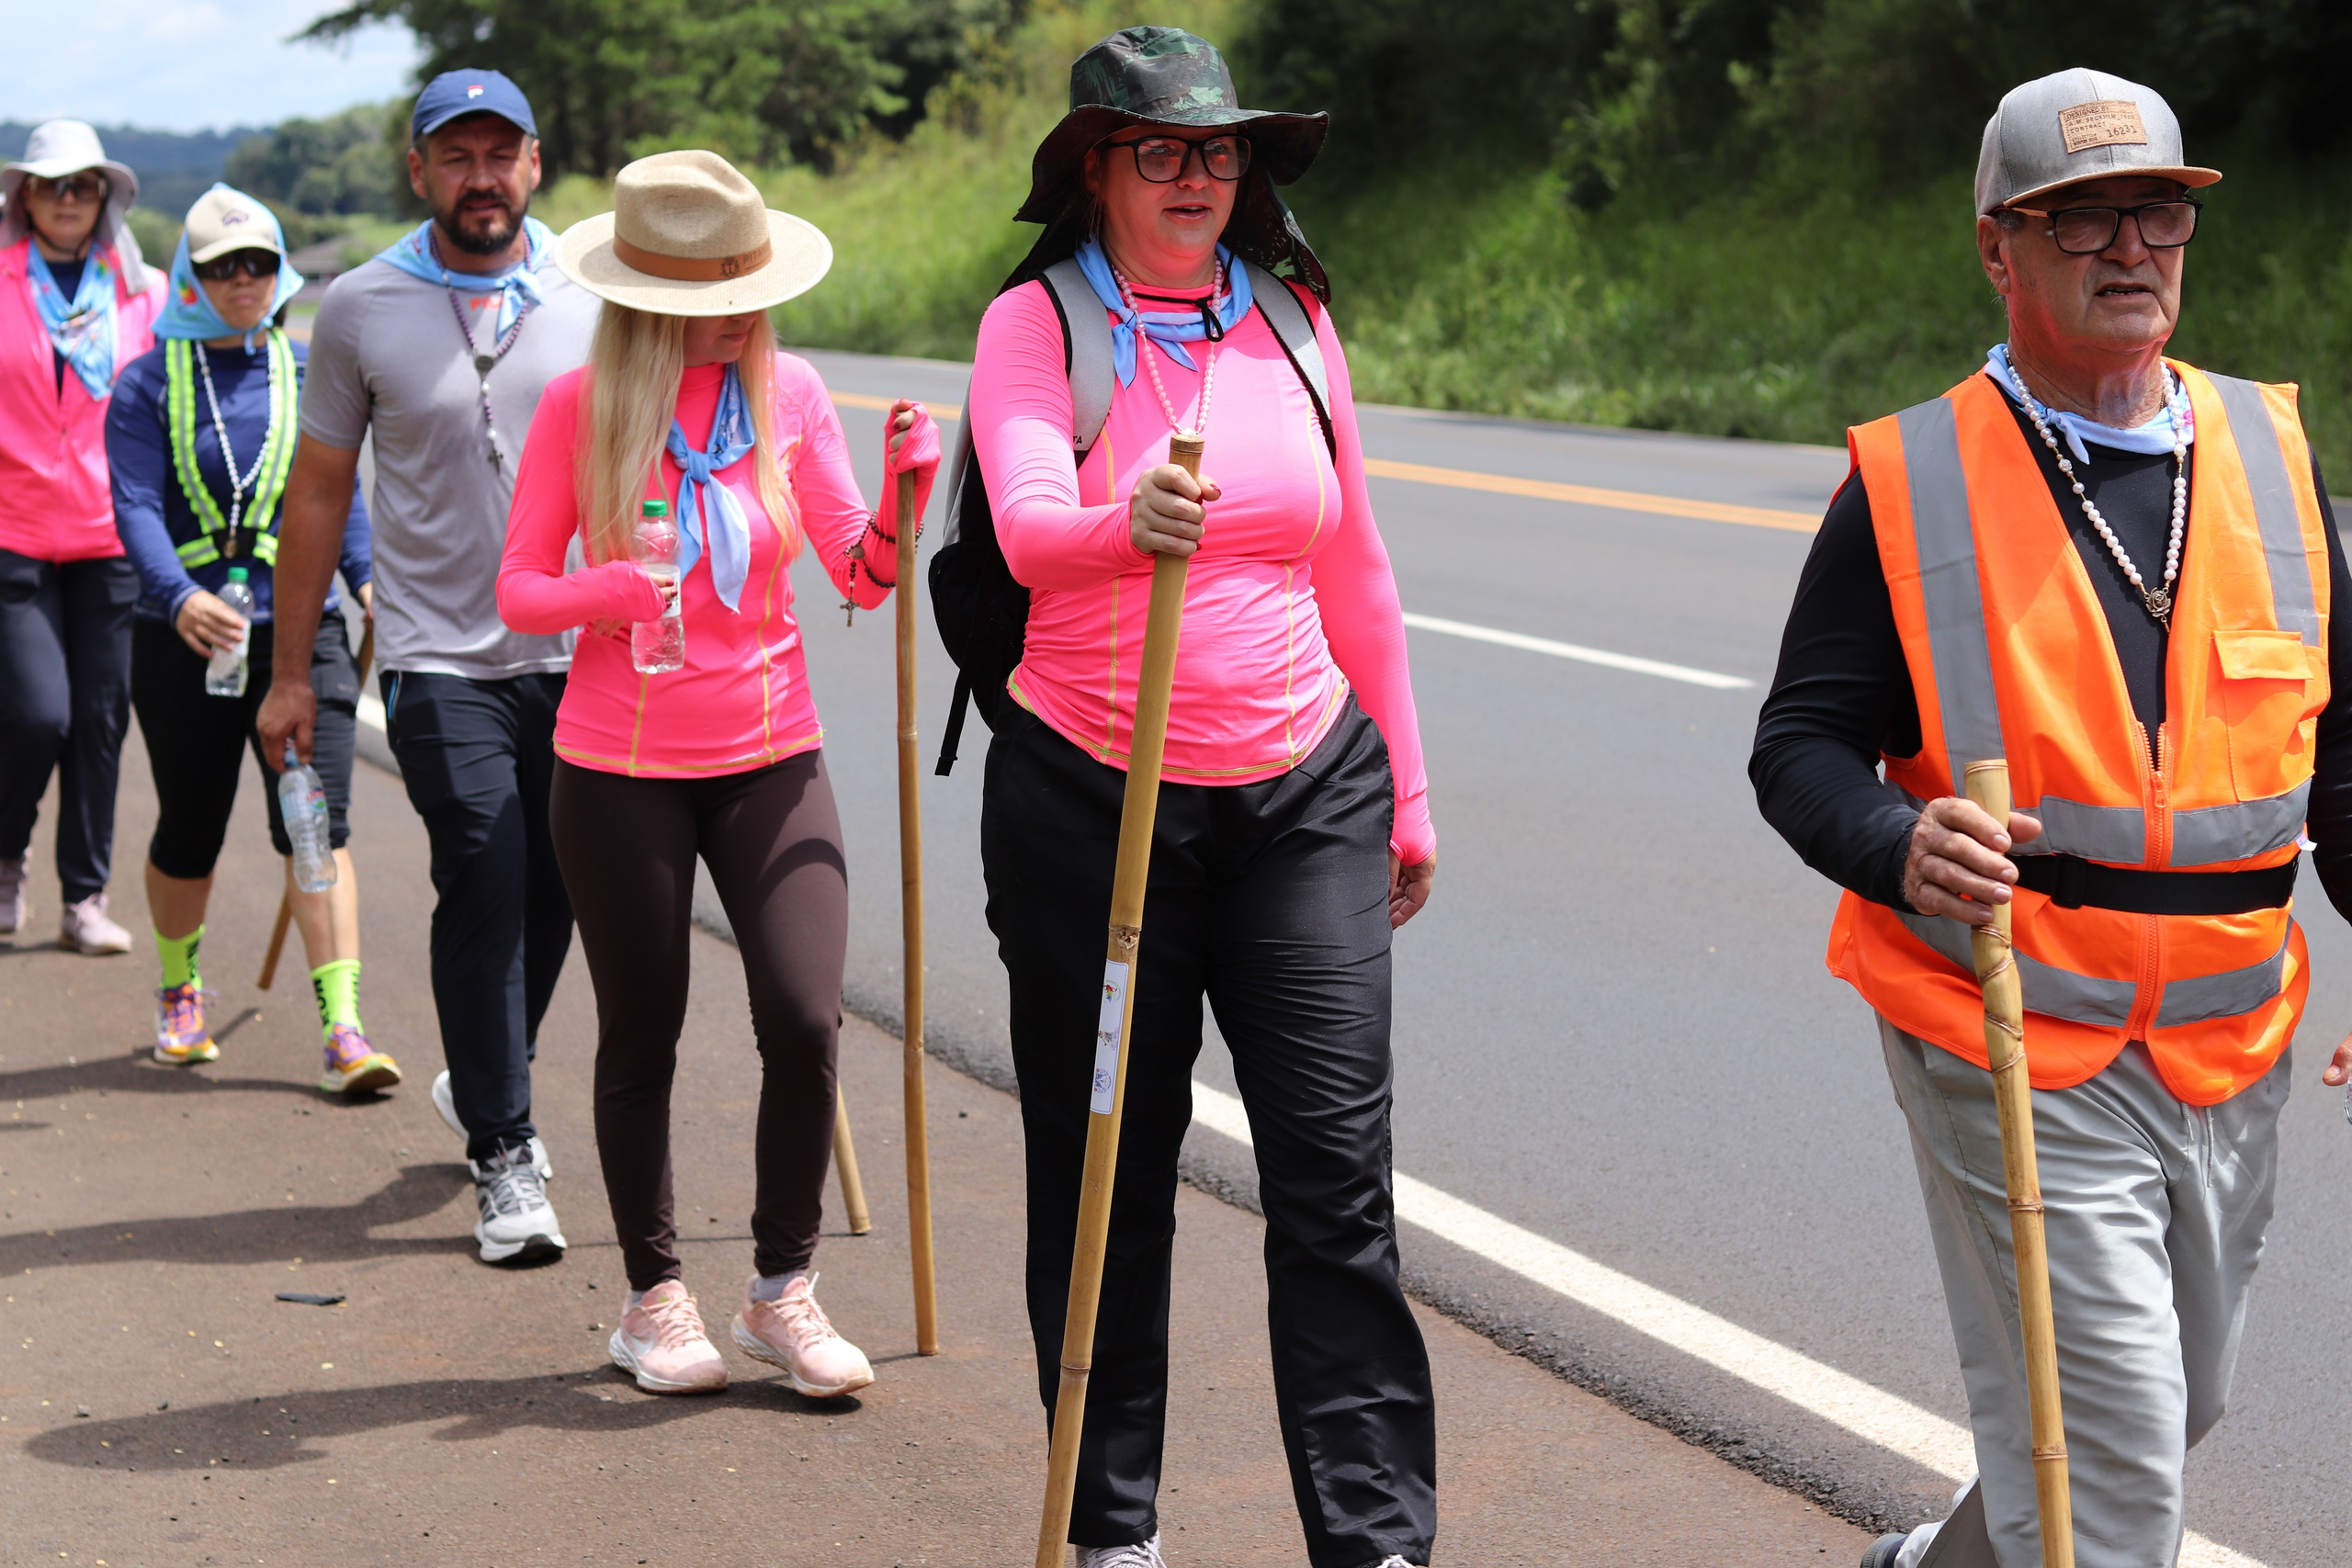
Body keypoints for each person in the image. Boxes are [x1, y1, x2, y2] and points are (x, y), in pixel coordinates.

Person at [1750, 70, 2352, 1568]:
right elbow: (1800, 746)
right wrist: (1901, 845)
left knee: (2166, 1403)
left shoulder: (2274, 460)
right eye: (2078, 219)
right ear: (1997, 250)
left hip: (2227, 1045)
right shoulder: (1914, 480)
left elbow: (2335, 761)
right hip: (2007, 1025)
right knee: (2113, 1457)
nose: (2130, 245)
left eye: (2156, 210)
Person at [965, 28, 1437, 1568]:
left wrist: (1408, 795)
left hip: (1305, 789)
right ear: (1096, 165)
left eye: (1217, 151)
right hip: (1092, 806)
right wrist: (1130, 520)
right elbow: (1033, 530)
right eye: (1160, 150)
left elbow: (1353, 561)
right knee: (1108, 1176)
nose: (1194, 176)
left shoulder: (1293, 322)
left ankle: (1378, 1546)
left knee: (1335, 1187)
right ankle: (1113, 1534)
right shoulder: (1036, 327)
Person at [498, 149, 939, 1395]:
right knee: (645, 1027)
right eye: (702, 299)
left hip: (770, 749)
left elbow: (860, 569)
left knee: (804, 1013)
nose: (733, 315)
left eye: (743, 287)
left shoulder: (788, 389)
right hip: (619, 762)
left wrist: (907, 499)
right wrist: (610, 588)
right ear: (646, 298)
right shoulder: (581, 407)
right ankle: (652, 1298)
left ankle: (780, 1292)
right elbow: (519, 585)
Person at [257, 70, 599, 1263]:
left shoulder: (593, 291)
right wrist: (292, 673)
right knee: (487, 859)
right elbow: (318, 494)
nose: (481, 176)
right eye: (456, 156)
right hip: (438, 649)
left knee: (564, 882)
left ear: (536, 164)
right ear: (418, 171)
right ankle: (505, 1150)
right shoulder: (361, 305)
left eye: (501, 153)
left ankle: (490, 1067)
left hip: (579, 644)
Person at [103, 185, 397, 1092]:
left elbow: (330, 498)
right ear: (191, 277)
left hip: (297, 640)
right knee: (189, 826)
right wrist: (178, 595)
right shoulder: (146, 383)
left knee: (315, 824)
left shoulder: (311, 375)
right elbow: (138, 506)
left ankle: (344, 1029)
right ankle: (179, 986)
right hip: (184, 639)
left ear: (281, 272)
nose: (243, 280)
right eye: (223, 266)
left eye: (259, 263)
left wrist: (368, 580)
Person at [1, 120, 162, 953]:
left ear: (105, 199)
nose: (68, 199)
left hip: (110, 533)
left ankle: (85, 897)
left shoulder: (146, 291)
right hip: (14, 531)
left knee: (101, 720)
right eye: (52, 184)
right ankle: (6, 852)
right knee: (37, 715)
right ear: (23, 194)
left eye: (83, 186)